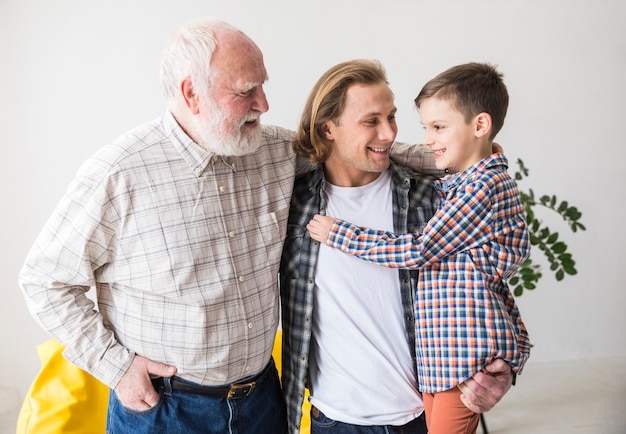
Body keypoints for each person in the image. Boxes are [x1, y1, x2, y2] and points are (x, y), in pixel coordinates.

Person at [17, 18, 438, 434]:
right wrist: (117, 367)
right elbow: (44, 281)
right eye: (245, 91)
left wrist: (460, 157)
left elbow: (354, 145)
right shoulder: (119, 172)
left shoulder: (273, 150)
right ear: (191, 94)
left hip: (263, 402)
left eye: (263, 85)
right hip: (166, 409)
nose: (264, 103)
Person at [281, 59, 518, 434]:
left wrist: (506, 364)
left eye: (392, 117)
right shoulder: (293, 208)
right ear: (328, 128)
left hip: (425, 410)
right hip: (336, 420)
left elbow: (485, 282)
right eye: (371, 121)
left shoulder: (436, 197)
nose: (390, 133)